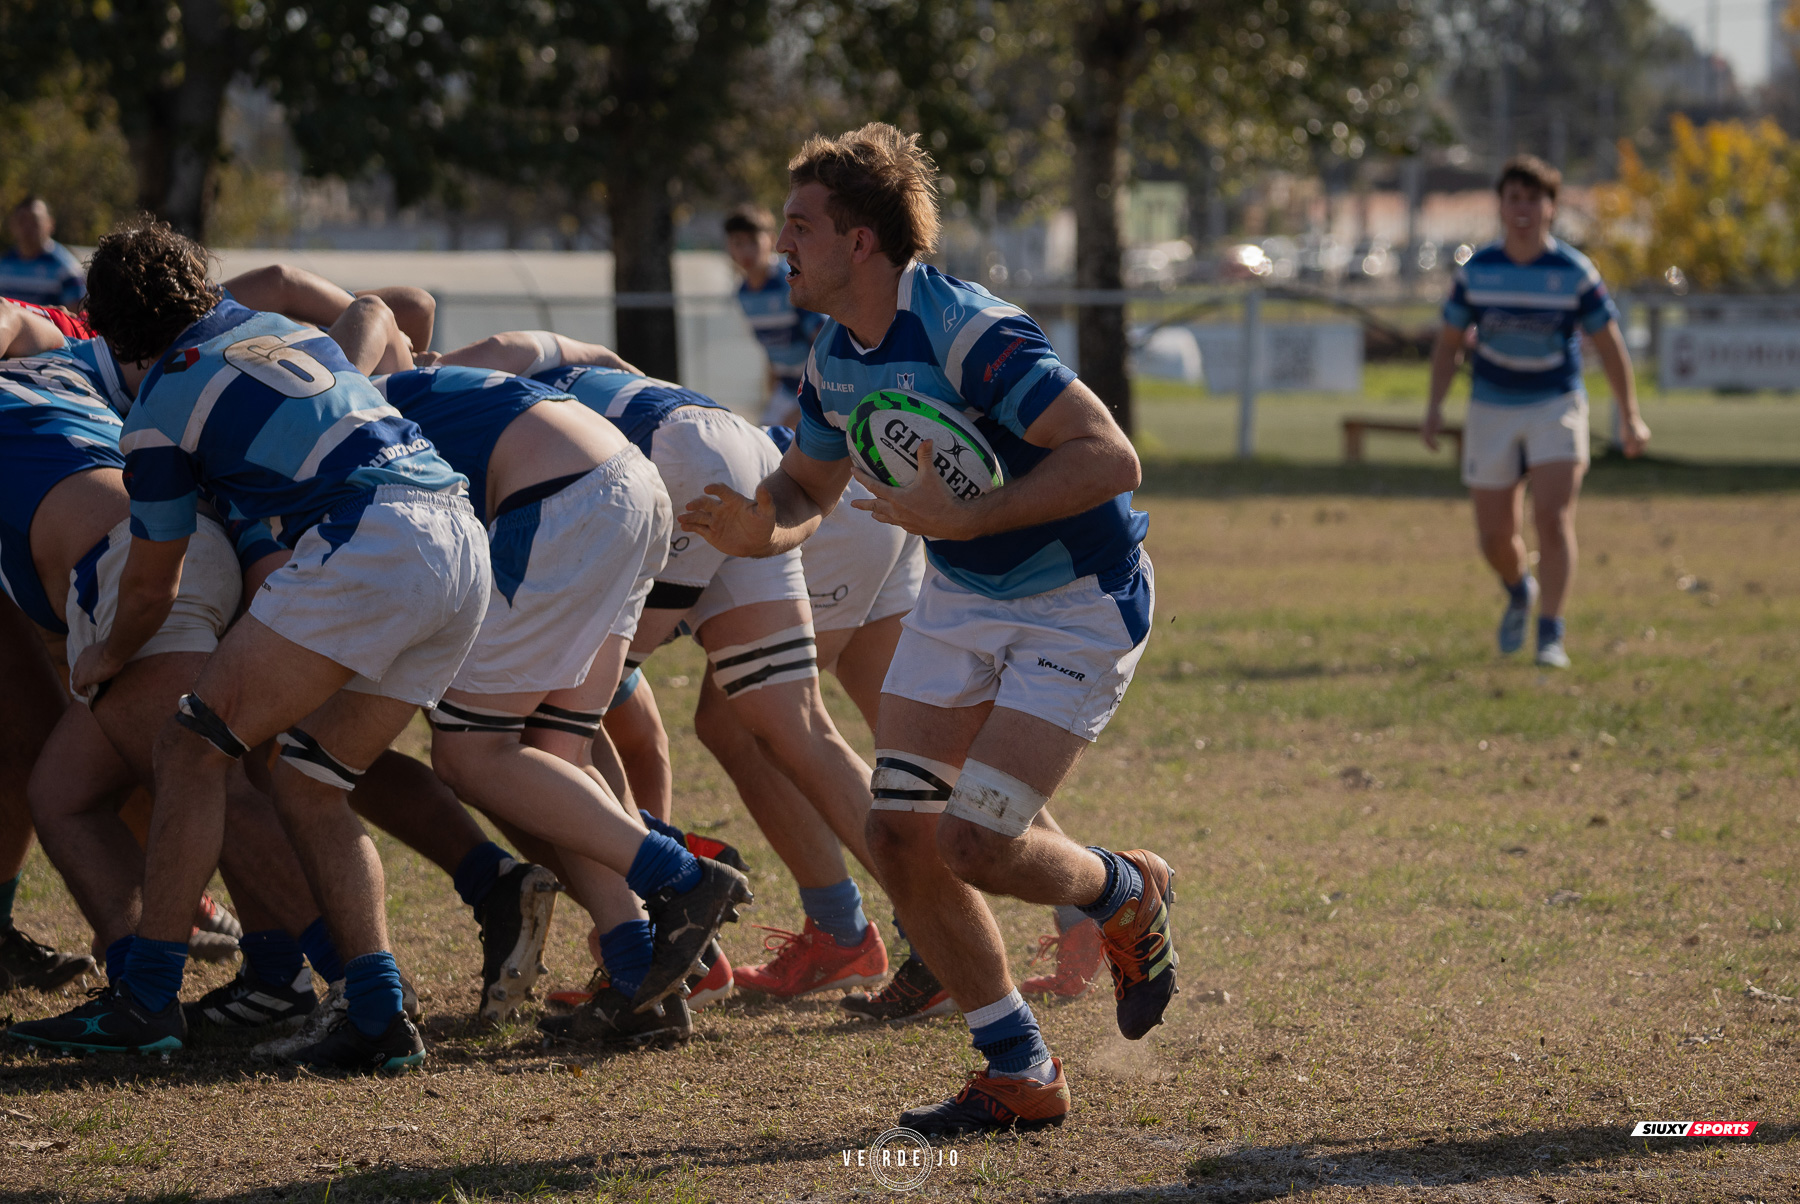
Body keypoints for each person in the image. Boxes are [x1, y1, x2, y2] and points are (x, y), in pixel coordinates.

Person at [680, 124, 1176, 1136]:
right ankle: (1017, 1068)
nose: (783, 247)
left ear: (861, 241)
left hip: (1080, 595)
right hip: (964, 595)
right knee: (899, 833)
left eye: (801, 228)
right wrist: (758, 524)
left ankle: (1120, 892)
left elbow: (1110, 456)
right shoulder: (834, 355)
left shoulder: (968, 333)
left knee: (978, 842)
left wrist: (973, 519)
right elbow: (807, 485)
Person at [7, 220, 490, 1072]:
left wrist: (110, 656)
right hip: (455, 534)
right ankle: (377, 1015)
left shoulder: (157, 410)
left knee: (194, 749)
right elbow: (375, 316)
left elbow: (153, 584)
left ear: (109, 326)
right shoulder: (273, 330)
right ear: (204, 289)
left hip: (369, 540)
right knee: (310, 785)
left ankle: (148, 996)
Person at [428, 330, 892, 1003]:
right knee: (797, 725)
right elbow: (596, 357)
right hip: (726, 439)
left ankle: (646, 942)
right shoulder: (493, 374)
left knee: (548, 736)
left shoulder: (419, 394)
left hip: (651, 460)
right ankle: (929, 928)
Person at [1423, 154, 1650, 669]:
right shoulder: (1478, 271)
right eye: (1514, 199)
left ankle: (1551, 632)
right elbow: (1448, 344)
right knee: (1494, 536)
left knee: (1552, 515)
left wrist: (1630, 414)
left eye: (1534, 199)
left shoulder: (1572, 272)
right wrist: (1434, 407)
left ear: (1551, 208)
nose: (1523, 209)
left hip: (1556, 403)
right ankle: (1517, 588)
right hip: (1491, 407)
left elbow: (1609, 344)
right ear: (1501, 207)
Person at [726, 204, 824, 429]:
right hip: (787, 389)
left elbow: (823, 338)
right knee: (762, 444)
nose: (746, 251)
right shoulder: (742, 295)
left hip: (817, 387)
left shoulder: (789, 280)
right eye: (737, 243)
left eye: (752, 241)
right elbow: (772, 348)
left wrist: (812, 399)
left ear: (770, 240)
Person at [0, 197, 85, 309]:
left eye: (34, 221)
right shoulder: (3, 265)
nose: (27, 227)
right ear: (12, 225)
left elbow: (77, 317)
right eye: (22, 220)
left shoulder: (68, 269)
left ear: (50, 224)